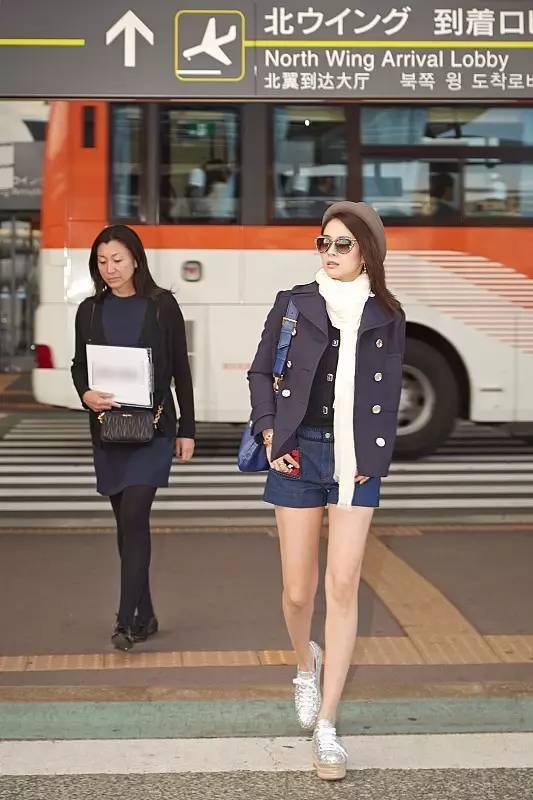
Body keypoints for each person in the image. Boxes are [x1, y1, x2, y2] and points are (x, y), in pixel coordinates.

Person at [247, 201, 405, 780]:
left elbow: (387, 396)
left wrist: (374, 457)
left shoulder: (386, 314)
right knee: (298, 593)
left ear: (367, 252)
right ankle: (303, 665)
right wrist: (270, 432)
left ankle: (329, 725)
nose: (330, 252)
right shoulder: (295, 302)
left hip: (355, 460)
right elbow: (260, 372)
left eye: (342, 244)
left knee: (342, 585)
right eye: (324, 242)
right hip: (297, 452)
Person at [71, 225, 195, 651]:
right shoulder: (89, 311)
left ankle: (125, 621)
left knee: (135, 516)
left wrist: (188, 429)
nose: (110, 269)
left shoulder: (161, 306)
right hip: (109, 431)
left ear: (136, 259)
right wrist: (85, 394)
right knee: (125, 525)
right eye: (102, 261)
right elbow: (78, 366)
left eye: (118, 260)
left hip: (153, 429)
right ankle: (147, 614)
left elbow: (180, 369)